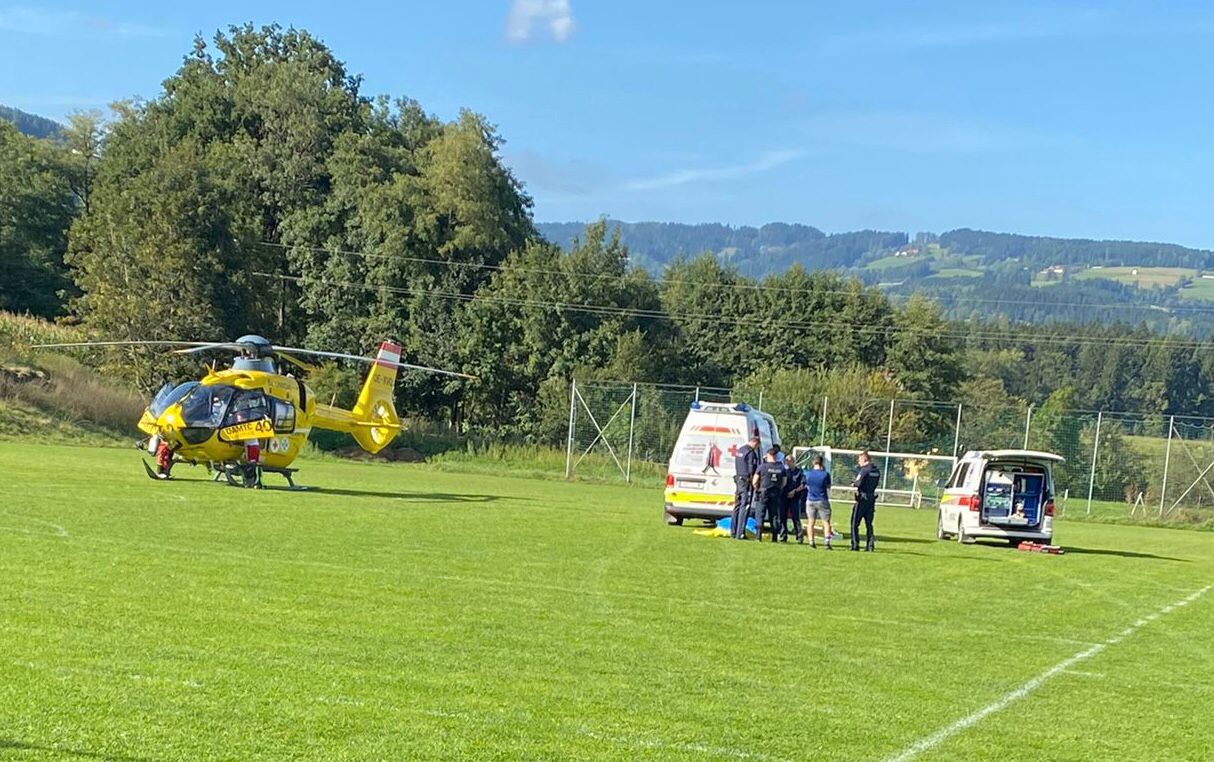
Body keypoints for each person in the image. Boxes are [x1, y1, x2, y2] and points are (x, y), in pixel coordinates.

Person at [730, 435, 761, 540]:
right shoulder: (751, 452)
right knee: (745, 506)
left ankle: (733, 532)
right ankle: (740, 534)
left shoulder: (741, 449)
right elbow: (751, 469)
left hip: (738, 479)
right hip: (746, 481)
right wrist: (754, 483)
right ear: (755, 443)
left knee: (737, 506)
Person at [850, 450, 881, 552]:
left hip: (862, 498)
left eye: (859, 460)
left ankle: (855, 544)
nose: (858, 462)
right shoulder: (876, 471)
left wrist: (853, 483)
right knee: (869, 523)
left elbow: (859, 483)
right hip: (871, 498)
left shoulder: (864, 470)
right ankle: (870, 545)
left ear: (864, 459)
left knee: (854, 523)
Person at [754, 448, 787, 542]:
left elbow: (755, 481)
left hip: (763, 493)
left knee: (760, 514)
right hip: (775, 494)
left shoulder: (762, 466)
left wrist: (757, 488)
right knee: (774, 515)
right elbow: (784, 482)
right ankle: (774, 537)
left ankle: (758, 536)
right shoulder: (781, 468)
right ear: (776, 455)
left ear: (768, 455)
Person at [804, 455, 833, 549]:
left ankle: (811, 541)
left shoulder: (808, 474)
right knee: (826, 522)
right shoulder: (825, 474)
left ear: (813, 463)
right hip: (822, 499)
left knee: (811, 522)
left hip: (810, 500)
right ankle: (827, 542)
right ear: (822, 463)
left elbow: (806, 485)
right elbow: (828, 486)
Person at [781, 454, 806, 543]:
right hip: (784, 497)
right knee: (783, 517)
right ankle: (783, 536)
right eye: (786, 461)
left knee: (795, 517)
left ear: (793, 461)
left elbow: (803, 485)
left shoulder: (799, 472)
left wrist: (794, 491)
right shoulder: (784, 471)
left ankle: (799, 537)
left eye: (789, 461)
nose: (787, 463)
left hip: (795, 497)